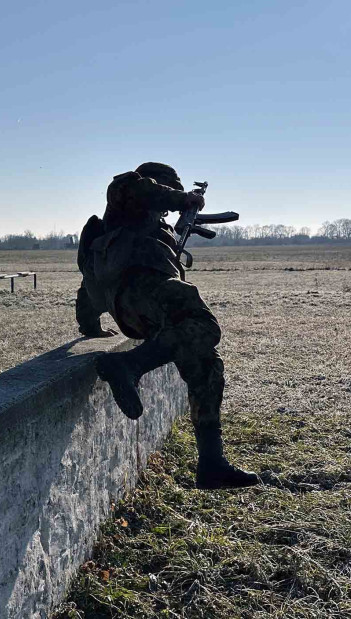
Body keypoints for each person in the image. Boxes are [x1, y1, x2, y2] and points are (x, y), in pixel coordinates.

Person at [76, 162, 260, 490]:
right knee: (204, 325)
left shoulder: (133, 231)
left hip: (139, 307)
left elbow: (88, 291)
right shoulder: (126, 197)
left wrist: (89, 326)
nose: (165, 210)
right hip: (143, 289)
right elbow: (138, 188)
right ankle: (128, 366)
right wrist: (185, 199)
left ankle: (211, 462)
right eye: (167, 193)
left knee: (205, 361)